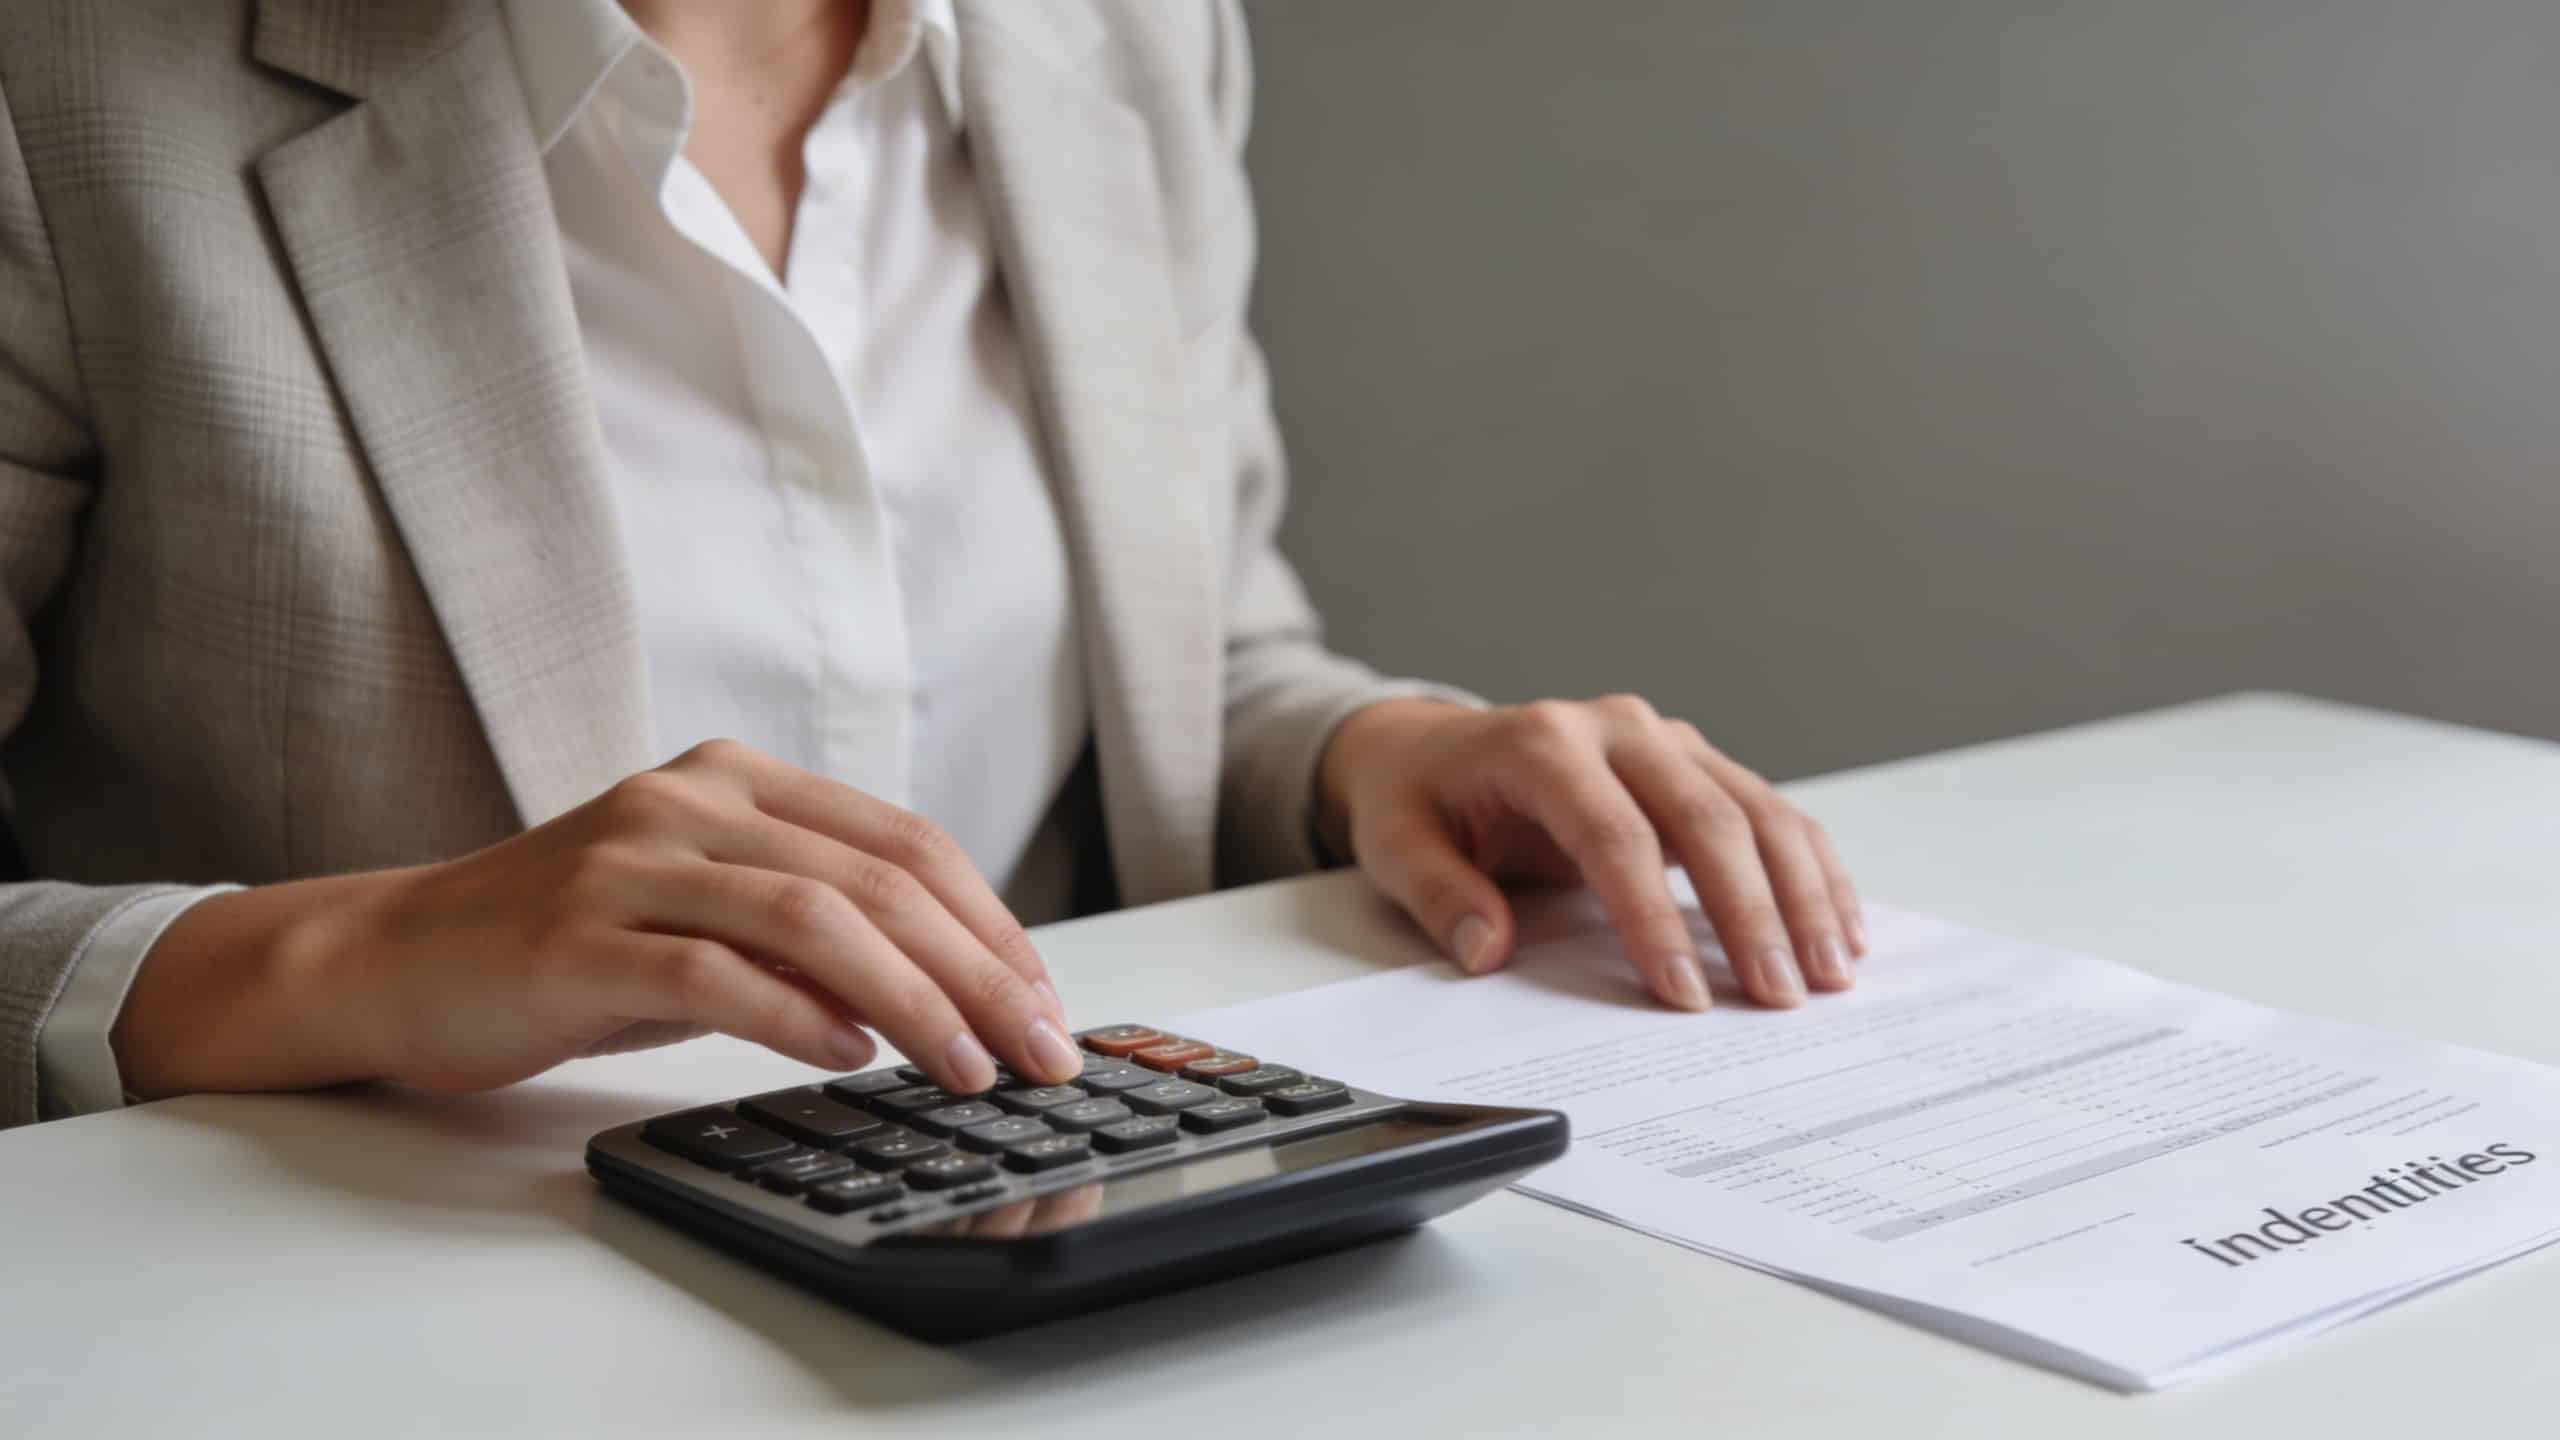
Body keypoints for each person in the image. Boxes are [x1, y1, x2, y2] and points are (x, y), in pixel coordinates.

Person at [0, 0, 1865, 1130]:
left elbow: (1200, 658)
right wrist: (360, 956)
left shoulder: (1131, 35)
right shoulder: (62, 89)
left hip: (1055, 1230)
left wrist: (1379, 756)